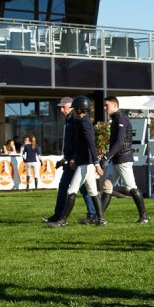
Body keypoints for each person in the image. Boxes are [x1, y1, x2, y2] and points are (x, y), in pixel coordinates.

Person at [48, 96, 106, 227]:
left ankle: (62, 221)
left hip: (85, 163)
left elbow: (91, 144)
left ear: (79, 109)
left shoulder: (83, 122)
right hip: (86, 162)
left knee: (71, 191)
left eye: (75, 109)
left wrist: (96, 163)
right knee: (93, 192)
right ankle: (101, 220)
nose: (73, 111)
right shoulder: (82, 121)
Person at [99, 96, 150, 223]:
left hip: (123, 159)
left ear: (115, 106)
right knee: (107, 185)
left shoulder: (121, 118)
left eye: (107, 105)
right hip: (117, 159)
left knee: (131, 187)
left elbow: (120, 142)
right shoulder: (116, 118)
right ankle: (99, 217)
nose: (105, 108)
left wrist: (106, 156)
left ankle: (144, 217)